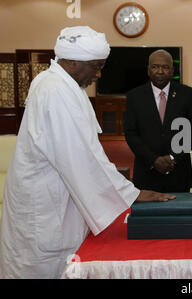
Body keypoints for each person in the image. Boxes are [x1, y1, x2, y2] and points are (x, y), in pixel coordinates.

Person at [0, 26, 175, 279]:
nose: (99, 73)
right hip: (46, 210)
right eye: (96, 66)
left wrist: (125, 190)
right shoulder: (56, 90)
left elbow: (85, 151)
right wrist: (131, 194)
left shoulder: (62, 84)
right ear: (73, 62)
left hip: (56, 199)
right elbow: (80, 158)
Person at [124, 50, 192, 193]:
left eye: (165, 67)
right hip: (146, 174)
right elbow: (131, 133)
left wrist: (172, 157)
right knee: (147, 215)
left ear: (172, 70)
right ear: (148, 69)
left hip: (178, 173)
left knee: (180, 215)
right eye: (155, 67)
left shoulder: (187, 94)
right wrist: (153, 160)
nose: (160, 71)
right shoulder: (134, 96)